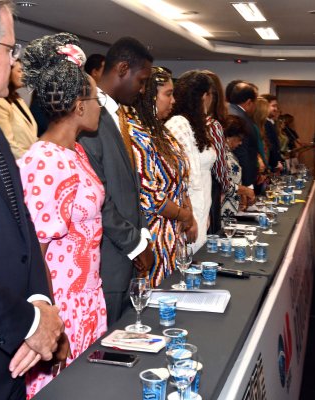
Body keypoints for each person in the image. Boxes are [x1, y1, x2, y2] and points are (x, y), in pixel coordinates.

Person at [18, 32, 108, 397]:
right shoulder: (43, 162)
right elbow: (34, 255)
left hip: (88, 299)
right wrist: (52, 330)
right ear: (78, 105)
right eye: (96, 97)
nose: (101, 105)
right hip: (62, 309)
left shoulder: (78, 154)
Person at [0, 1, 63, 399]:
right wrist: (29, 323)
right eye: (10, 49)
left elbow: (22, 227)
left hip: (10, 358)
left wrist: (39, 301)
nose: (15, 60)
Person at [78, 37, 154, 326]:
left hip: (126, 259)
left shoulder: (118, 115)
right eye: (142, 80)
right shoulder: (88, 115)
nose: (143, 89)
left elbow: (131, 189)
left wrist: (143, 235)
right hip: (108, 262)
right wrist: (135, 243)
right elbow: (99, 197)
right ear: (123, 68)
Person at [131, 67, 195, 287]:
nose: (173, 100)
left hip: (174, 233)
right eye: (168, 94)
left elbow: (181, 178)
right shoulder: (135, 134)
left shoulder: (163, 131)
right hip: (153, 236)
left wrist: (188, 212)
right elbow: (149, 196)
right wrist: (183, 215)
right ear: (150, 96)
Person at [166, 70, 217, 252]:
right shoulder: (178, 124)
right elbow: (180, 178)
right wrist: (189, 218)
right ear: (205, 96)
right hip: (189, 212)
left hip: (201, 207)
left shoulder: (196, 124)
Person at [0, 58, 38, 158]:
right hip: (18, 162)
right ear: (7, 73)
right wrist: (31, 160)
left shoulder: (18, 100)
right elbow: (8, 144)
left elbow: (31, 137)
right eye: (19, 71)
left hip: (29, 159)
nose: (23, 74)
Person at [201, 70, 230, 234]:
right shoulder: (213, 125)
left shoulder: (181, 120)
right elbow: (220, 165)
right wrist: (225, 187)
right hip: (210, 187)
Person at [227, 81, 258, 202]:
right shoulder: (241, 118)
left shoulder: (229, 111)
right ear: (249, 102)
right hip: (237, 177)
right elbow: (242, 152)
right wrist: (247, 184)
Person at [221, 115, 254, 217]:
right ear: (229, 136)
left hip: (232, 209)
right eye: (239, 139)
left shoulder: (229, 152)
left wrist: (241, 195)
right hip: (223, 210)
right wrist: (245, 190)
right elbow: (222, 184)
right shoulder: (221, 154)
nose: (240, 143)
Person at [261, 94, 283, 173]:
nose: (276, 109)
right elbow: (270, 146)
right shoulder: (264, 123)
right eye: (273, 106)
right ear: (264, 106)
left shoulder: (270, 122)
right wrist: (276, 163)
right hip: (269, 166)